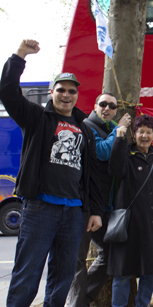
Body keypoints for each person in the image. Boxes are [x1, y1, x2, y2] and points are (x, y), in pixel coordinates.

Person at [1, 39, 103, 307]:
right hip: (40, 208)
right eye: (61, 90)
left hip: (74, 213)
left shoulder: (85, 127)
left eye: (71, 91)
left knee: (63, 277)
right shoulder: (36, 118)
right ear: (51, 92)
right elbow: (8, 91)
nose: (66, 94)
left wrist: (93, 210)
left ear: (77, 95)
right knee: (28, 275)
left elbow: (89, 173)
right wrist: (20, 55)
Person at [66, 92, 131, 306]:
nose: (107, 108)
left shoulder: (109, 127)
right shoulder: (87, 126)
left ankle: (82, 299)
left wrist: (119, 127)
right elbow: (102, 152)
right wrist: (120, 129)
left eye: (112, 106)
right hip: (84, 205)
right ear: (95, 106)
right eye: (103, 104)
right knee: (78, 260)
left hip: (103, 207)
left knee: (111, 255)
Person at [107, 114, 153, 307]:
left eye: (149, 132)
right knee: (122, 275)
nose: (145, 136)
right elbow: (115, 171)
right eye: (141, 131)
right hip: (128, 226)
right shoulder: (126, 155)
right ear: (134, 135)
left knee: (149, 274)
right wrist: (119, 136)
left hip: (152, 227)